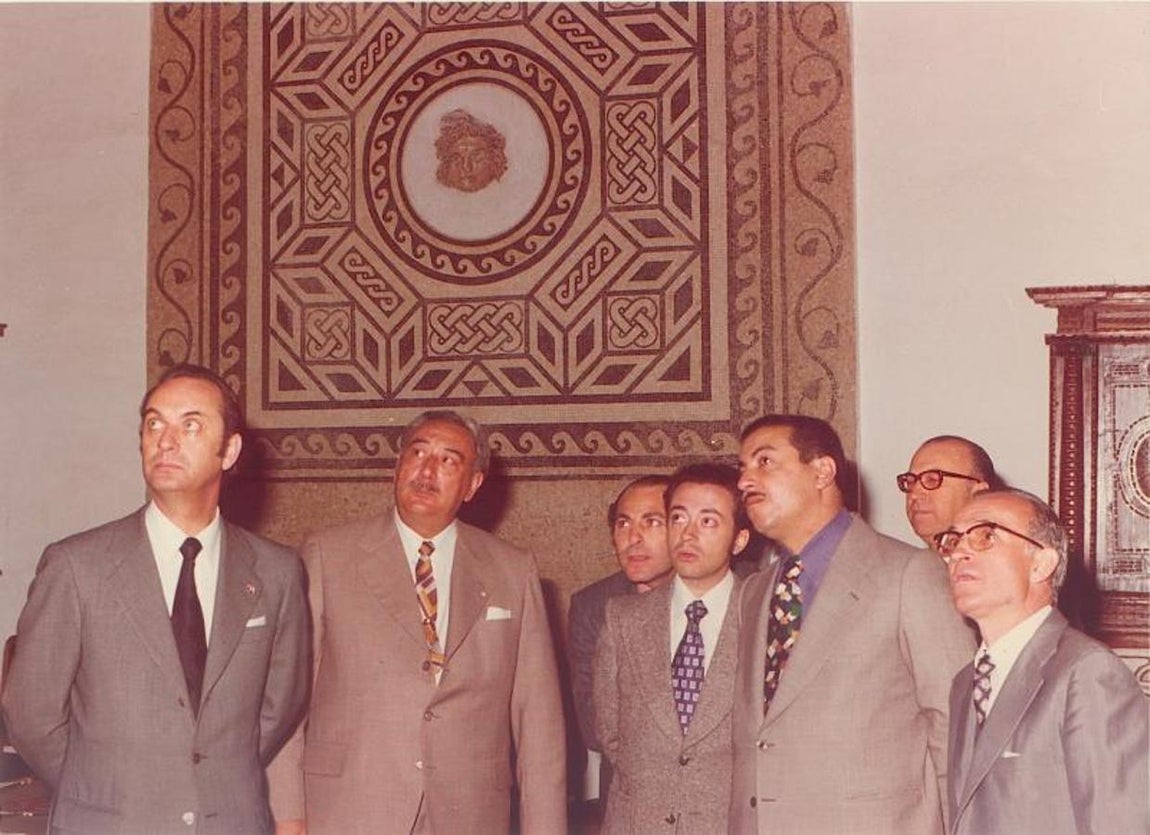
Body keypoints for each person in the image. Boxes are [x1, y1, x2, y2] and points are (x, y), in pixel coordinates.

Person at [1, 363, 310, 834]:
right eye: (154, 423)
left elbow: (278, 707)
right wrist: (102, 787)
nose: (166, 440)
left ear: (229, 450)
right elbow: (30, 712)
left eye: (190, 425)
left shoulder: (276, 572)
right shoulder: (76, 566)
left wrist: (207, 780)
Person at [267, 410, 565, 835]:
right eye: (418, 453)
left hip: (470, 814)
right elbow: (287, 704)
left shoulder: (512, 571)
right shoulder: (327, 555)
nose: (428, 470)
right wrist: (287, 815)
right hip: (351, 810)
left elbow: (540, 724)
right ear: (397, 466)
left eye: (449, 460)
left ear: (473, 484)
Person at [730, 414, 975, 835]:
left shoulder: (908, 575)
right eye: (742, 468)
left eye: (764, 462)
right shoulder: (754, 591)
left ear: (823, 471)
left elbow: (957, 731)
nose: (744, 481)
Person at [939, 488, 1149, 834]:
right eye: (952, 540)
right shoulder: (965, 682)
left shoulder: (1086, 673)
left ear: (1041, 564)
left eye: (985, 536)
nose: (959, 551)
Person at [593, 463, 749, 834]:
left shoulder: (762, 614)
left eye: (708, 522)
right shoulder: (624, 618)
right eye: (678, 518)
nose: (688, 535)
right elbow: (612, 733)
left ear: (740, 539)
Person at [567, 474, 673, 805]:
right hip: (629, 794)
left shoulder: (733, 594)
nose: (633, 538)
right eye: (623, 524)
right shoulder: (593, 606)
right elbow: (593, 723)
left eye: (652, 522)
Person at [898, 435, 999, 549]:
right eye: (910, 481)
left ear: (979, 494)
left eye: (932, 480)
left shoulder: (1002, 565)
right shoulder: (902, 563)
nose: (914, 495)